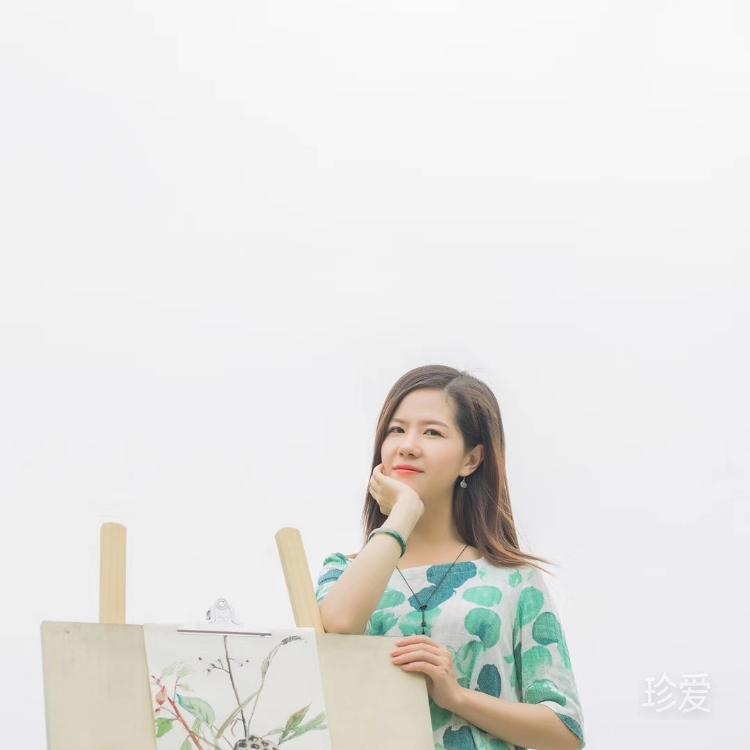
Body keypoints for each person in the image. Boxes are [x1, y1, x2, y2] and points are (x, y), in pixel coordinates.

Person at [314, 364, 585, 750]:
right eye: (396, 429)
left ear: (471, 460)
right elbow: (338, 626)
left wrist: (457, 697)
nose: (408, 445)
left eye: (432, 432)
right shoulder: (343, 571)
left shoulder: (512, 579)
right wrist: (404, 513)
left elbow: (565, 733)